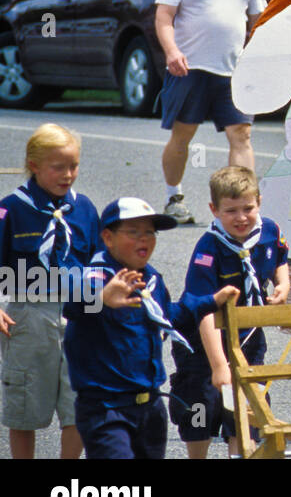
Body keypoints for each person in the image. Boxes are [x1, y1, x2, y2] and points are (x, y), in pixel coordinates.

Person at [63, 197, 237, 459]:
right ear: (108, 238)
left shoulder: (152, 277)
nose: (143, 239)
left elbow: (168, 315)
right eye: (133, 232)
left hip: (150, 405)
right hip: (107, 408)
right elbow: (72, 306)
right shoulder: (98, 274)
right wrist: (102, 299)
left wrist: (211, 301)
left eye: (149, 232)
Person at [154, 0, 267, 224]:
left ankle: (242, 205)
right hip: (189, 68)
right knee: (182, 135)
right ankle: (173, 196)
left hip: (233, 71)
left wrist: (258, 58)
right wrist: (172, 52)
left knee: (241, 135)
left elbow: (259, 20)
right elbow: (164, 17)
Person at [169, 166, 289, 458]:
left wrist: (282, 284)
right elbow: (203, 312)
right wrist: (219, 364)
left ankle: (240, 453)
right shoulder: (209, 247)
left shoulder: (268, 230)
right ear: (214, 209)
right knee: (201, 408)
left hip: (248, 336)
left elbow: (279, 258)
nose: (241, 218)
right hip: (202, 343)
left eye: (248, 208)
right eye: (231, 210)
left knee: (247, 407)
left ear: (259, 201)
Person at [0, 124, 99, 459]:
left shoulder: (84, 208)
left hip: (81, 315)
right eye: (58, 167)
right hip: (30, 316)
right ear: (34, 165)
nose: (68, 174)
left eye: (74, 166)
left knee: (79, 404)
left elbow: (98, 262)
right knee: (25, 405)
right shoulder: (11, 209)